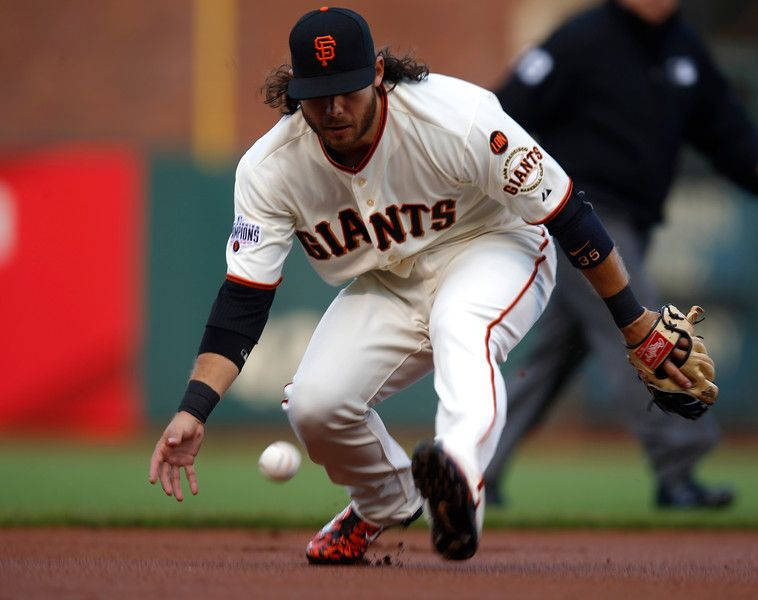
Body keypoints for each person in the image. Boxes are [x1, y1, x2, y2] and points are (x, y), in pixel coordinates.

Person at [148, 6, 702, 564]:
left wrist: (635, 326)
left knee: (462, 325)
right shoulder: (269, 169)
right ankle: (387, 499)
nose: (335, 108)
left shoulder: (458, 117)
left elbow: (567, 212)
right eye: (318, 94)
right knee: (316, 406)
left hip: (495, 246)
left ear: (379, 73)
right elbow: (244, 299)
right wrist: (194, 408)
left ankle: (458, 479)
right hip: (388, 282)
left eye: (348, 89)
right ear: (294, 91)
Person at [484, 0, 758, 508]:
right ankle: (679, 463)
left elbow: (731, 137)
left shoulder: (684, 50)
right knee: (638, 328)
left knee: (555, 358)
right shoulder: (582, 39)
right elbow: (499, 115)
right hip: (578, 216)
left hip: (633, 221)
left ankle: (472, 465)